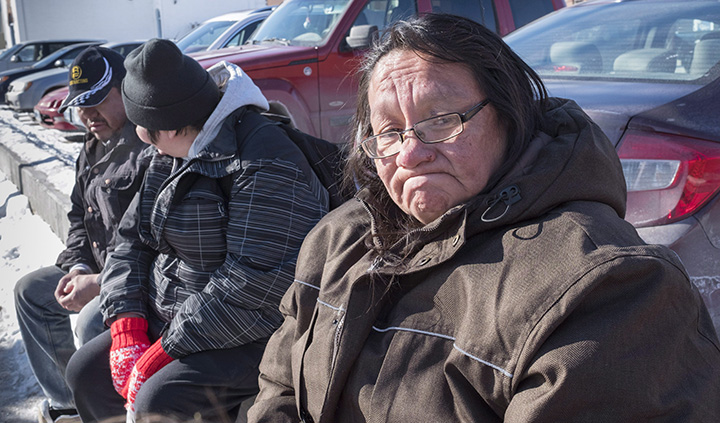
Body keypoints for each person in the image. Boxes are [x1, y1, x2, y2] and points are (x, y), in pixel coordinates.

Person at [248, 14, 720, 422]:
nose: (410, 153)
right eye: (388, 131)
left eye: (441, 119)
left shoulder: (610, 288)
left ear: (510, 117)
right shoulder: (340, 237)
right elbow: (280, 386)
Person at [65, 39, 330, 423]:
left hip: (253, 331)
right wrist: (128, 326)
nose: (138, 133)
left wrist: (164, 351)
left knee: (157, 399)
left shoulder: (265, 161)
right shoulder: (166, 156)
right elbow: (130, 240)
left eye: (143, 126)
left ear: (170, 127)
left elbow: (255, 282)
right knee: (85, 374)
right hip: (180, 317)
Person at [14, 46, 149, 423]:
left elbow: (151, 243)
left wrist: (100, 282)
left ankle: (106, 411)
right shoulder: (91, 146)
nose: (87, 115)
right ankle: (67, 402)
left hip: (134, 282)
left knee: (92, 318)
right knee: (31, 292)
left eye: (97, 102)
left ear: (125, 91)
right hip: (96, 270)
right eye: (80, 105)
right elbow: (79, 216)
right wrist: (76, 266)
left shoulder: (149, 148)